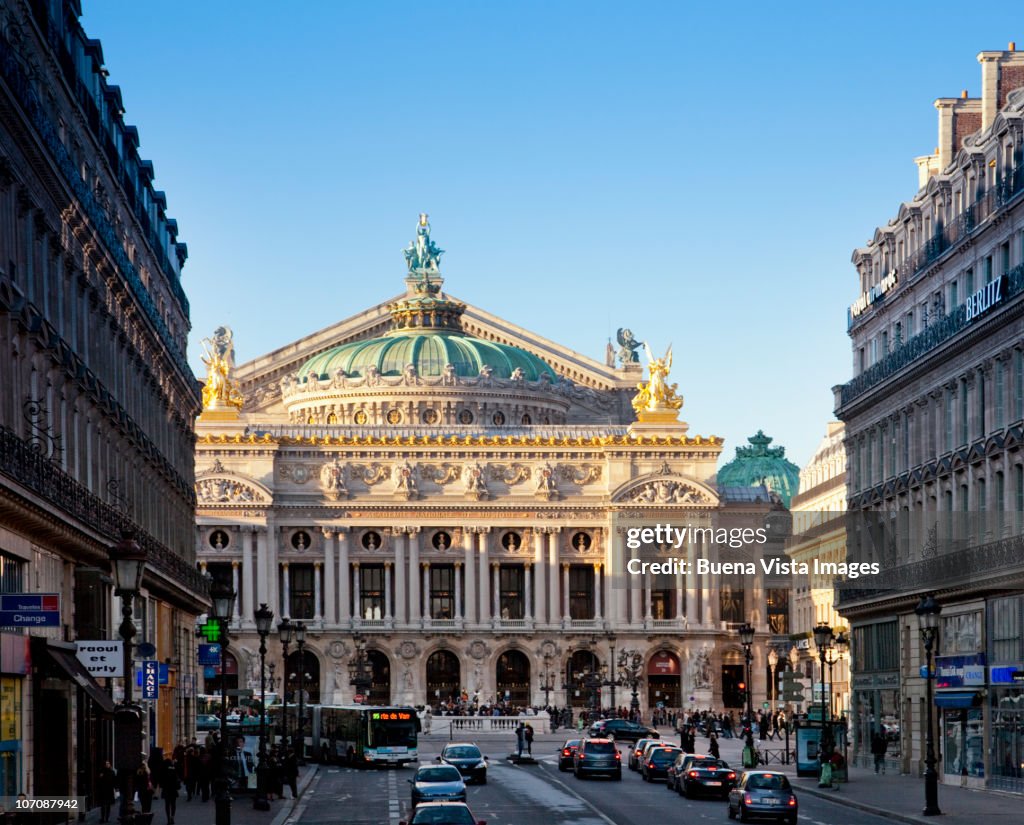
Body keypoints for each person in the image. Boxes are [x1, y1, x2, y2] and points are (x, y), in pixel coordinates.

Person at [160, 758, 180, 824]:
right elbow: (176, 778)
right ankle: (172, 816)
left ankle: (168, 818)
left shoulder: (163, 769)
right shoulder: (173, 768)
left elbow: (161, 780)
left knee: (167, 804)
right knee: (173, 804)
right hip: (173, 789)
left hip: (166, 789)